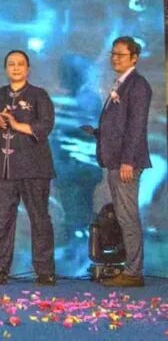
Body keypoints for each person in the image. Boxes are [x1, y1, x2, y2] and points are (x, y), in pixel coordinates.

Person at [0, 50, 56, 286]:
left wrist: (16, 124)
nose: (16, 67)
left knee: (39, 219)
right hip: (0, 169)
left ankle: (44, 270)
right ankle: (0, 268)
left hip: (34, 168)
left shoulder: (39, 95)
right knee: (1, 220)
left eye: (20, 64)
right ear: (6, 69)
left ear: (28, 69)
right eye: (11, 64)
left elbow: (45, 126)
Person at [82, 36, 152, 287]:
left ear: (134, 58)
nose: (115, 58)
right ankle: (131, 269)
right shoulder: (121, 83)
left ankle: (134, 272)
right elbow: (120, 126)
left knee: (127, 217)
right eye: (113, 54)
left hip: (126, 163)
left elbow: (136, 126)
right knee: (124, 216)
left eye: (121, 54)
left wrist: (128, 161)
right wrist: (98, 133)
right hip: (116, 160)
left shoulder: (137, 85)